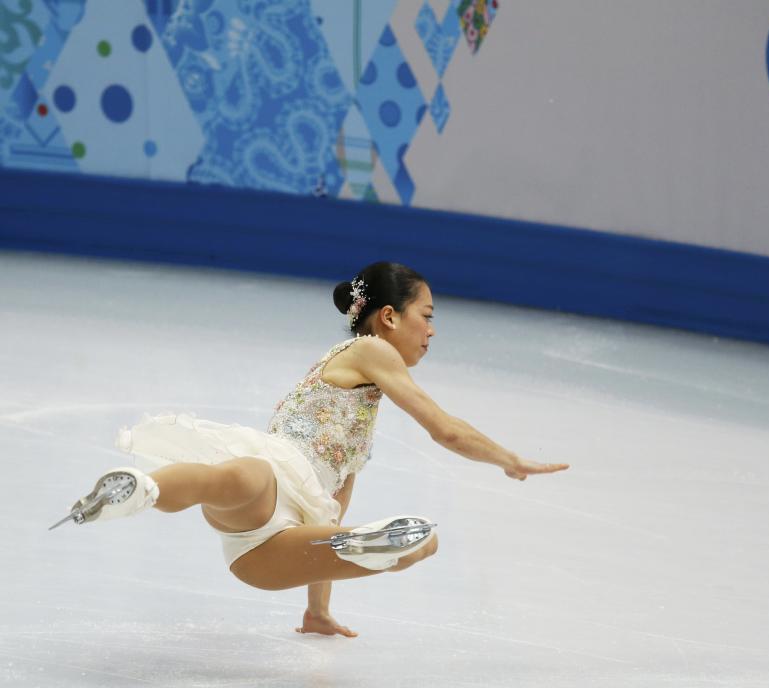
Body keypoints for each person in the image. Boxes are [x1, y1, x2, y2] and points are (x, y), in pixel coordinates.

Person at [51, 262, 569, 637]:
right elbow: (444, 430)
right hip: (272, 480)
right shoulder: (369, 350)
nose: (431, 331)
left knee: (420, 544)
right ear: (388, 316)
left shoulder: (360, 420)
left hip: (265, 548)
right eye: (426, 316)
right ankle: (142, 488)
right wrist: (510, 458)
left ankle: (148, 490)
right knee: (246, 475)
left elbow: (334, 501)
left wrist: (317, 612)